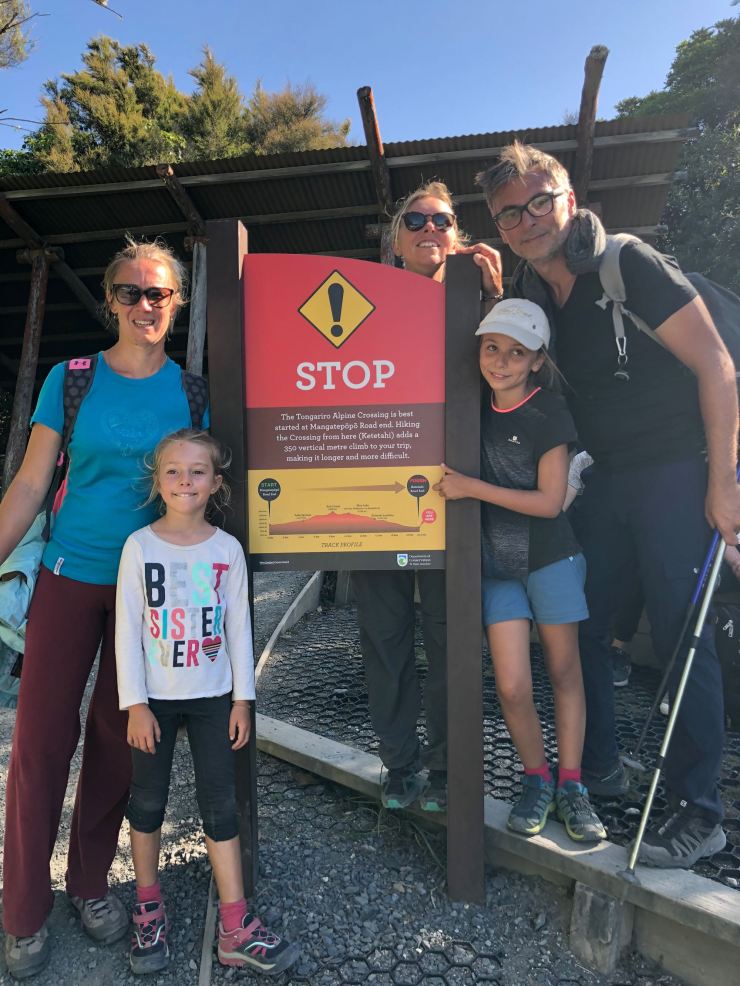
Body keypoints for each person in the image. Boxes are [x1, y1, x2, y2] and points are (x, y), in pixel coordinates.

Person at [476, 142, 740, 868]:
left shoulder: (627, 264)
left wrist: (723, 484)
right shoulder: (537, 292)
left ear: (567, 196)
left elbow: (717, 364)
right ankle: (598, 767)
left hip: (675, 473)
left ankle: (699, 810)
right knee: (582, 621)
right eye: (509, 213)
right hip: (608, 480)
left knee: (687, 633)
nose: (527, 220)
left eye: (538, 202)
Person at [1, 239, 207, 978]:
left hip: (147, 589)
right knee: (37, 744)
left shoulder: (191, 393)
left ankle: (89, 884)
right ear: (110, 300)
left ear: (177, 304)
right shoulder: (72, 379)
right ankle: (22, 910)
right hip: (68, 574)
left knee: (120, 742)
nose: (144, 306)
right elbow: (30, 484)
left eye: (158, 294)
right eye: (130, 292)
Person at [115, 429, 298, 976]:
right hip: (155, 702)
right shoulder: (139, 546)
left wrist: (244, 699)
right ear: (158, 480)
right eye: (173, 470)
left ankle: (235, 925)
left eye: (198, 471)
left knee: (220, 805)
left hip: (215, 698)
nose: (185, 480)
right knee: (147, 803)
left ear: (216, 483)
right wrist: (134, 704)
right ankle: (149, 906)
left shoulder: (226, 549)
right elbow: (126, 630)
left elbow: (240, 628)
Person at [352, 181, 503, 812]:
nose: (428, 228)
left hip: (452, 492)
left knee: (450, 635)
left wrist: (497, 297)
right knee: (384, 636)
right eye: (414, 220)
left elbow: (515, 368)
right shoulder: (361, 303)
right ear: (396, 239)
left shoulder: (478, 295)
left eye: (441, 219)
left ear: (456, 230)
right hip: (374, 493)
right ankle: (398, 764)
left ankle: (447, 767)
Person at [434, 299, 605, 842]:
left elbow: (550, 501)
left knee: (565, 673)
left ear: (536, 359)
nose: (501, 361)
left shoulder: (548, 410)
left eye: (516, 352)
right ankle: (537, 779)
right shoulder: (467, 404)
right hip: (496, 567)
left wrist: (470, 488)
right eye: (492, 347)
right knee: (511, 686)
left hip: (550, 557)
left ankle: (572, 785)